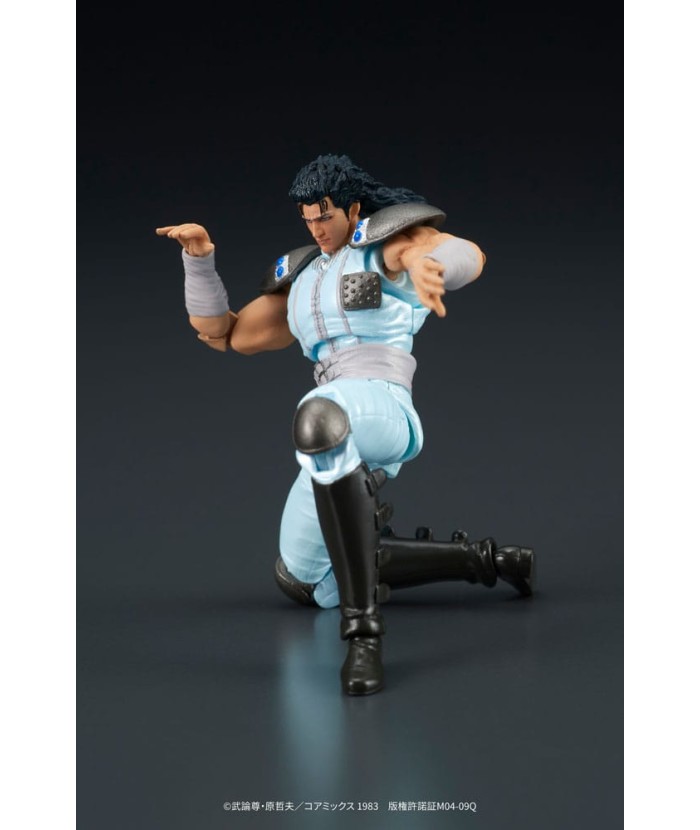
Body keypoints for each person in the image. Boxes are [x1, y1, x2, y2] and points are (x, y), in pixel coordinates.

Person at [157, 154, 534, 696]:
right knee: (303, 578)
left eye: (326, 216)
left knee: (316, 417)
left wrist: (433, 267)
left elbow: (461, 252)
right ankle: (490, 560)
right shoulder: (304, 276)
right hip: (332, 416)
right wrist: (199, 260)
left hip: (383, 405)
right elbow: (225, 333)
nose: (317, 228)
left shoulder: (382, 245)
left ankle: (364, 637)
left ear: (353, 209)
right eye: (308, 219)